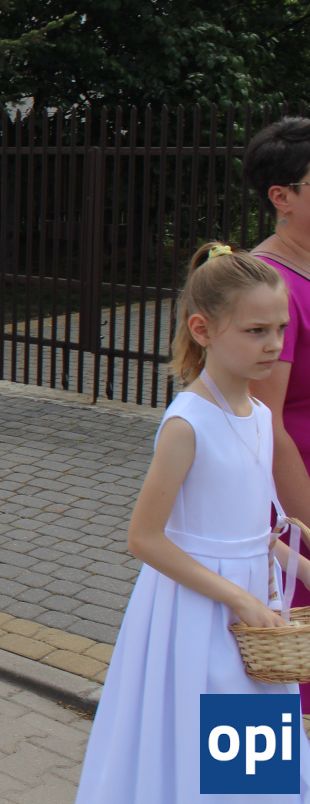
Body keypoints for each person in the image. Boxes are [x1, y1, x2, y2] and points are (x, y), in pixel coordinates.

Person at [76, 243, 310, 800]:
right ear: (202, 330)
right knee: (200, 731)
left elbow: (256, 530)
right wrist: (238, 598)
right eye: (255, 331)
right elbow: (144, 538)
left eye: (280, 329)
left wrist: (299, 565)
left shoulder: (260, 416)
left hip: (253, 616)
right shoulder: (188, 423)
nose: (274, 344)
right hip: (196, 613)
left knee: (253, 752)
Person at [243, 116, 310, 715]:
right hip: (290, 497)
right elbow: (268, 423)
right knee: (272, 668)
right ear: (281, 198)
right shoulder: (269, 285)